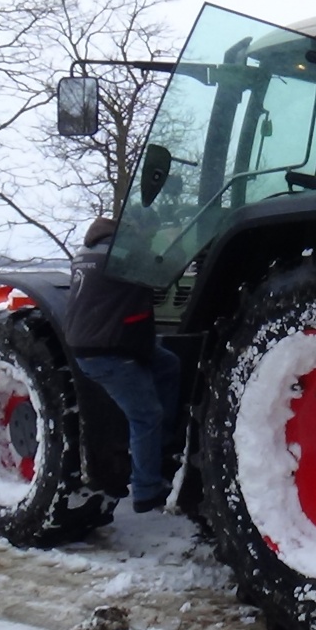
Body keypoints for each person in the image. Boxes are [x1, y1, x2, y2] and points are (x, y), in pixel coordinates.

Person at [65, 216, 180, 514]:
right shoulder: (119, 255)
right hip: (107, 350)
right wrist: (172, 242)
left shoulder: (87, 252)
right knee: (145, 415)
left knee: (168, 365)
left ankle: (163, 448)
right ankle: (146, 490)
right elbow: (162, 274)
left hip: (100, 341)